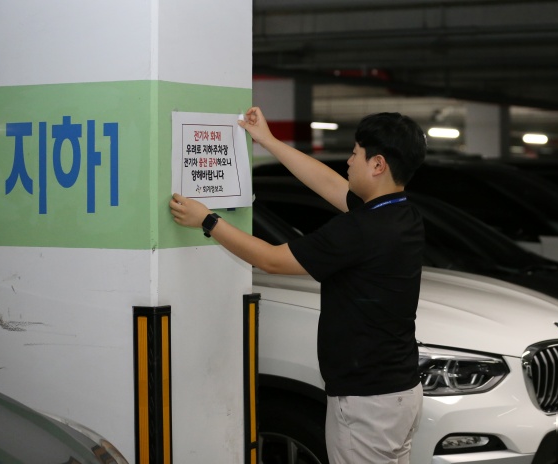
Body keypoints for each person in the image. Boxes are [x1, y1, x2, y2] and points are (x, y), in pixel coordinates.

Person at [169, 106, 427, 464]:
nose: (348, 163)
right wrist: (269, 141)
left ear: (378, 164)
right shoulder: (402, 214)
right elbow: (328, 183)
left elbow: (271, 260)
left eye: (354, 154)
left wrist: (208, 220)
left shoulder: (361, 231)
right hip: (401, 392)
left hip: (367, 403)